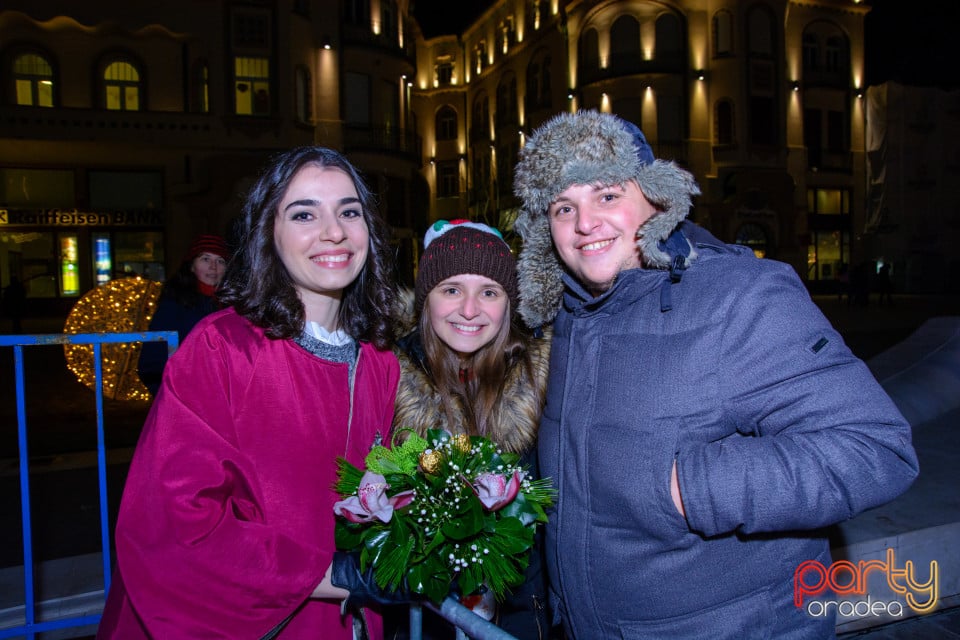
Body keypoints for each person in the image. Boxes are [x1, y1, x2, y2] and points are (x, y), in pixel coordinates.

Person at [511, 110, 919, 639]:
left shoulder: (741, 296)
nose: (585, 222)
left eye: (607, 195)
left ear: (656, 199)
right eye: (564, 207)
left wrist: (691, 487)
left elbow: (876, 448)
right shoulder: (563, 323)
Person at [98, 146, 408, 640]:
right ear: (269, 232)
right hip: (246, 619)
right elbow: (176, 525)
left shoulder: (380, 359)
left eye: (350, 211)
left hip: (348, 618)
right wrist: (339, 575)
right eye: (304, 213)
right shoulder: (222, 349)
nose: (334, 231)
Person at [388, 219, 551, 638]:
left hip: (520, 616)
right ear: (426, 300)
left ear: (508, 304)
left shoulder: (543, 379)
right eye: (452, 289)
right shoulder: (386, 376)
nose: (469, 309)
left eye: (489, 292)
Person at [137, 234, 230, 395]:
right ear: (191, 265)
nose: (213, 267)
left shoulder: (234, 304)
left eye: (220, 261)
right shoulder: (174, 304)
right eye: (205, 259)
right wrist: (172, 396)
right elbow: (152, 361)